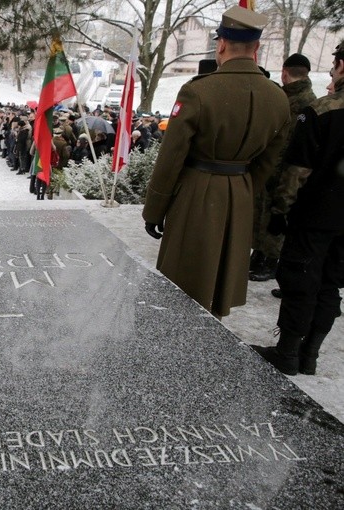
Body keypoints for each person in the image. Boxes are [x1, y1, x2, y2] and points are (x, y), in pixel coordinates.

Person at [141, 6, 290, 318]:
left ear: (221, 44)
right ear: (257, 48)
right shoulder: (278, 98)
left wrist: (154, 210)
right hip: (240, 194)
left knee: (182, 285)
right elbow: (270, 160)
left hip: (196, 193)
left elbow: (171, 158)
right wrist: (244, 188)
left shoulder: (199, 91)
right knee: (217, 284)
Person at [251, 41, 344, 376]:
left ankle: (288, 351)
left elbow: (297, 170)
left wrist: (279, 210)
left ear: (342, 66)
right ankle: (311, 354)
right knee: (330, 284)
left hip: (315, 214)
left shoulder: (322, 111)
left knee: (301, 280)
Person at [250, 53, 317, 282]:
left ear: (285, 72)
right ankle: (259, 254)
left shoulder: (300, 102)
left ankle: (270, 261)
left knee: (276, 215)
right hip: (277, 167)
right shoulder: (300, 99)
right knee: (263, 213)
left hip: (285, 170)